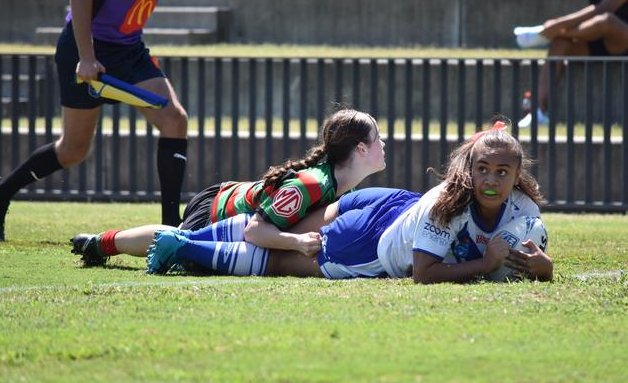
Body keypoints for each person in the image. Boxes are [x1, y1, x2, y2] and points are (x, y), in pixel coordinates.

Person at [0, 0, 209, 241]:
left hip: (129, 50)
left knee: (175, 119)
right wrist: (87, 58)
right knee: (73, 150)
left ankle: (172, 230)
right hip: (84, 46)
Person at [147, 121, 554, 283]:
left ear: (518, 177)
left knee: (283, 233)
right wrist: (485, 264)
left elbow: (537, 257)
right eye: (484, 169)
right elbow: (424, 274)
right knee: (281, 262)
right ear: (470, 169)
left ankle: (135, 239)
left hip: (391, 202)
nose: (492, 180)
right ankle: (186, 246)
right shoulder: (445, 204)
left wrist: (544, 267)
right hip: (374, 240)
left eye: (503, 173)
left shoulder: (526, 211)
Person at [70, 108, 387, 266]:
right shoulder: (312, 184)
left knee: (177, 238)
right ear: (360, 149)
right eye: (377, 138)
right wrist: (296, 242)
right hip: (217, 211)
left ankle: (99, 244)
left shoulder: (332, 183)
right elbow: (254, 231)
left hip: (227, 201)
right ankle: (99, 244)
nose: (383, 144)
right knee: (177, 238)